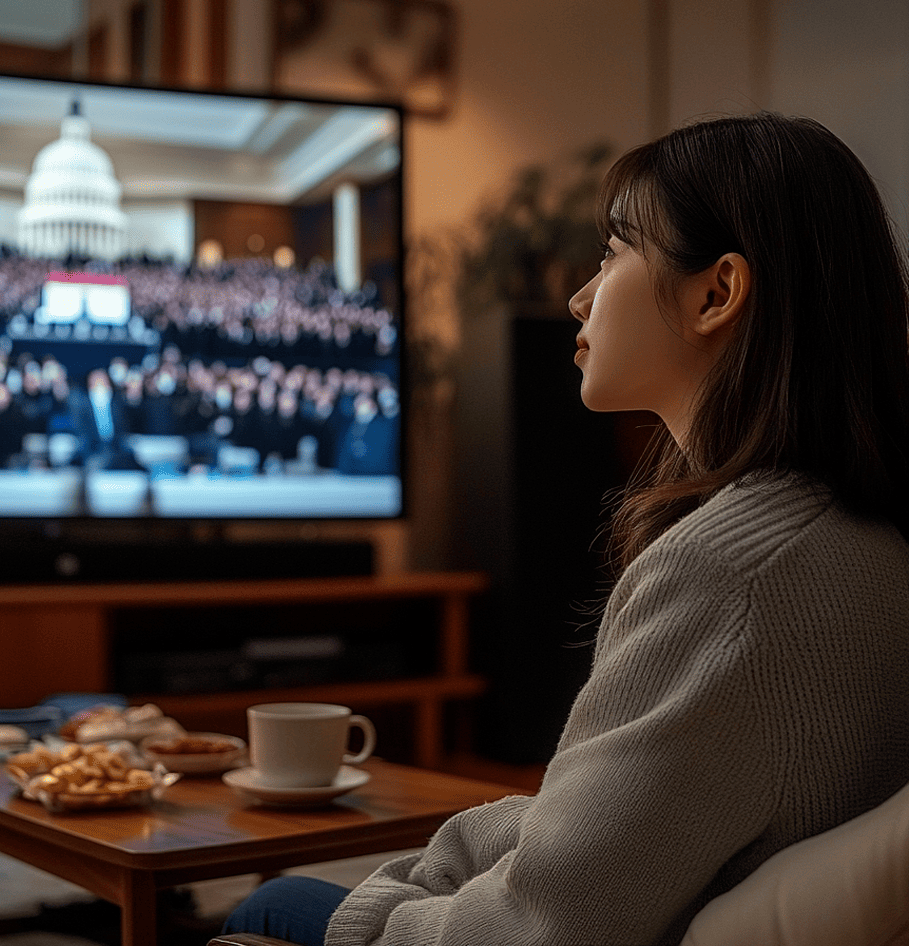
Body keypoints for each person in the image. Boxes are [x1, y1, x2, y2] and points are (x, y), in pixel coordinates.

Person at [219, 113, 909, 946]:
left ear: (716, 294)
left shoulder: (728, 576)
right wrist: (456, 856)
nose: (580, 297)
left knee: (271, 904)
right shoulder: (865, 536)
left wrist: (386, 914)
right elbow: (638, 818)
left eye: (613, 254)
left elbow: (536, 928)